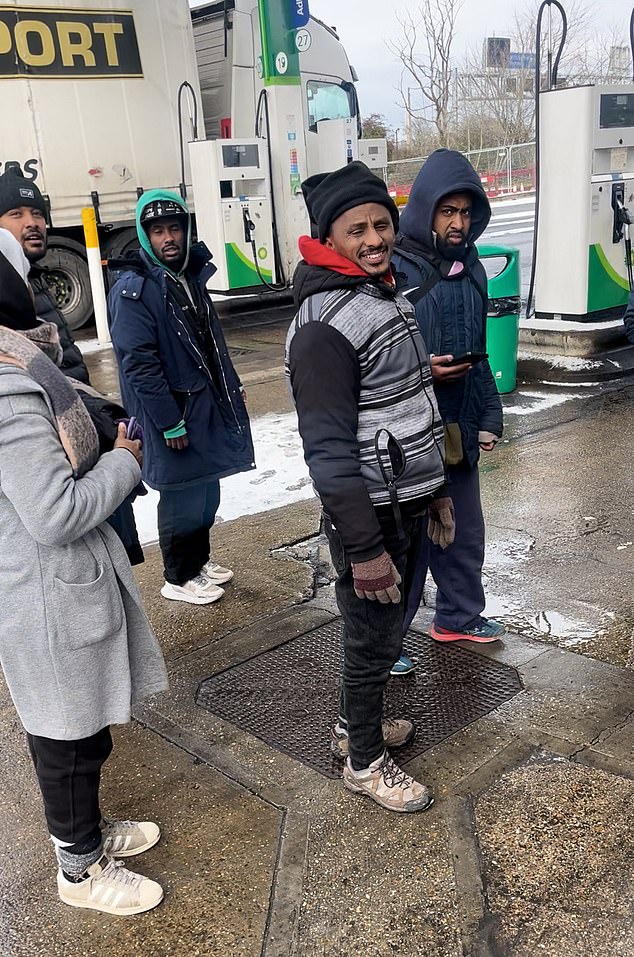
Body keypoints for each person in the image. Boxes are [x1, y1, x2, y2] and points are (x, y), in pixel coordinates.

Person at [0, 230, 169, 915]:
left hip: (56, 589)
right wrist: (125, 460)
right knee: (66, 740)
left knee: (83, 730)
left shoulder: (21, 364)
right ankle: (79, 867)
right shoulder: (9, 393)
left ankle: (89, 835)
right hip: (45, 595)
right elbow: (54, 511)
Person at [286, 161, 454, 813]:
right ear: (330, 238)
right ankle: (363, 761)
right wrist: (363, 548)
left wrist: (436, 488)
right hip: (370, 516)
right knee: (371, 639)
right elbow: (327, 453)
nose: (375, 236)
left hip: (407, 499)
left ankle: (350, 726)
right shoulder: (324, 324)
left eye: (382, 222)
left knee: (383, 637)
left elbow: (413, 403)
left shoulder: (384, 292)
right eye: (357, 228)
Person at [108, 189, 255, 605]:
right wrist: (168, 419)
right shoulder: (134, 289)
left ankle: (198, 560)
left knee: (206, 488)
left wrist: (232, 384)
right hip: (173, 414)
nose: (168, 238)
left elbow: (211, 344)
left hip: (203, 406)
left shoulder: (188, 276)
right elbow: (139, 364)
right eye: (157, 231)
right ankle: (178, 574)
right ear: (144, 235)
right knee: (181, 494)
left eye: (174, 228)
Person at [391, 148, 504, 672]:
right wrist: (423, 374)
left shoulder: (474, 269)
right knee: (409, 541)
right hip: (408, 432)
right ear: (425, 210)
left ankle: (457, 617)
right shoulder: (395, 269)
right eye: (447, 211)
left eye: (464, 212)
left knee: (463, 532)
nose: (457, 223)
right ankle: (387, 644)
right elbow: (377, 359)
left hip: (459, 425)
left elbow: (481, 354)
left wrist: (490, 418)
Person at [0, 165, 90, 382]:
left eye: (38, 213)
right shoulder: (8, 298)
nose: (32, 223)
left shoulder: (36, 279)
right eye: (16, 214)